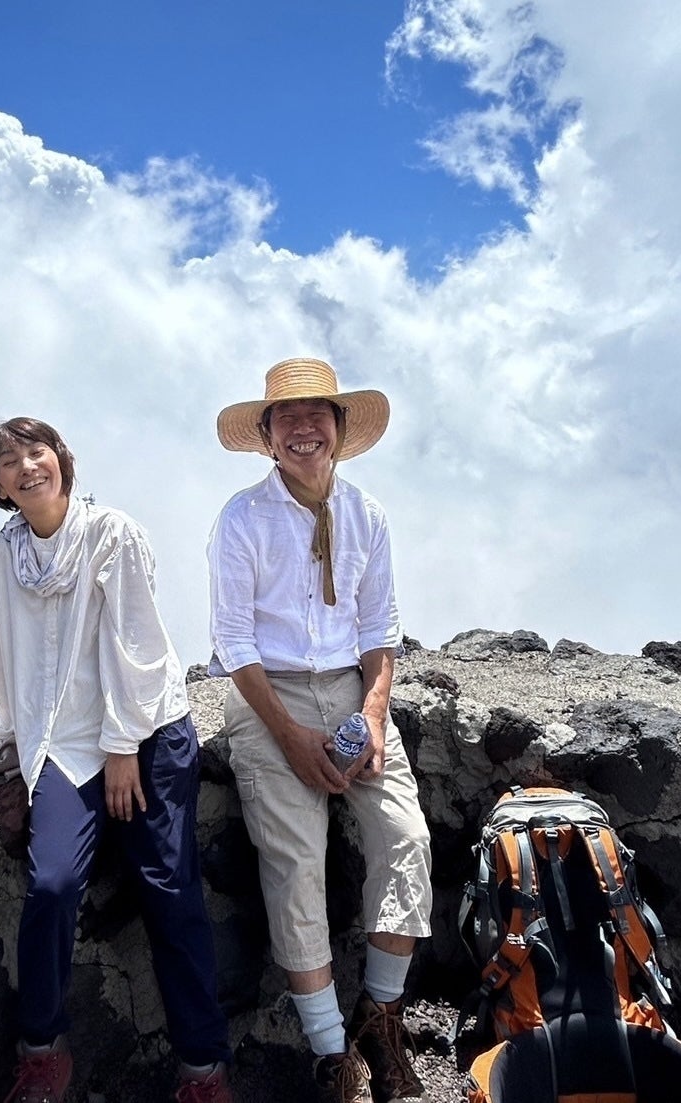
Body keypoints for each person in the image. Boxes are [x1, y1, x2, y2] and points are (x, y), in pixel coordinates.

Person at [0, 417, 233, 1103]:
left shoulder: (111, 532)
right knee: (53, 884)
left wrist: (122, 746)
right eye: (8, 461)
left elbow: (137, 645)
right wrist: (10, 732)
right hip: (62, 740)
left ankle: (203, 1071)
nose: (27, 466)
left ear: (62, 459)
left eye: (37, 451)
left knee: (169, 892)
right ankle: (42, 1053)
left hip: (147, 731)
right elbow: (0, 653)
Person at [206, 359, 433, 1103]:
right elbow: (233, 640)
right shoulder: (242, 518)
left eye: (317, 414)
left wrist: (373, 714)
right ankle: (332, 1051)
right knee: (294, 859)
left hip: (349, 690)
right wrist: (290, 736)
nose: (304, 428)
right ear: (268, 437)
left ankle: (381, 1015)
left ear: (338, 428)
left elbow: (380, 625)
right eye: (287, 417)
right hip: (265, 693)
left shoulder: (367, 513)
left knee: (406, 836)